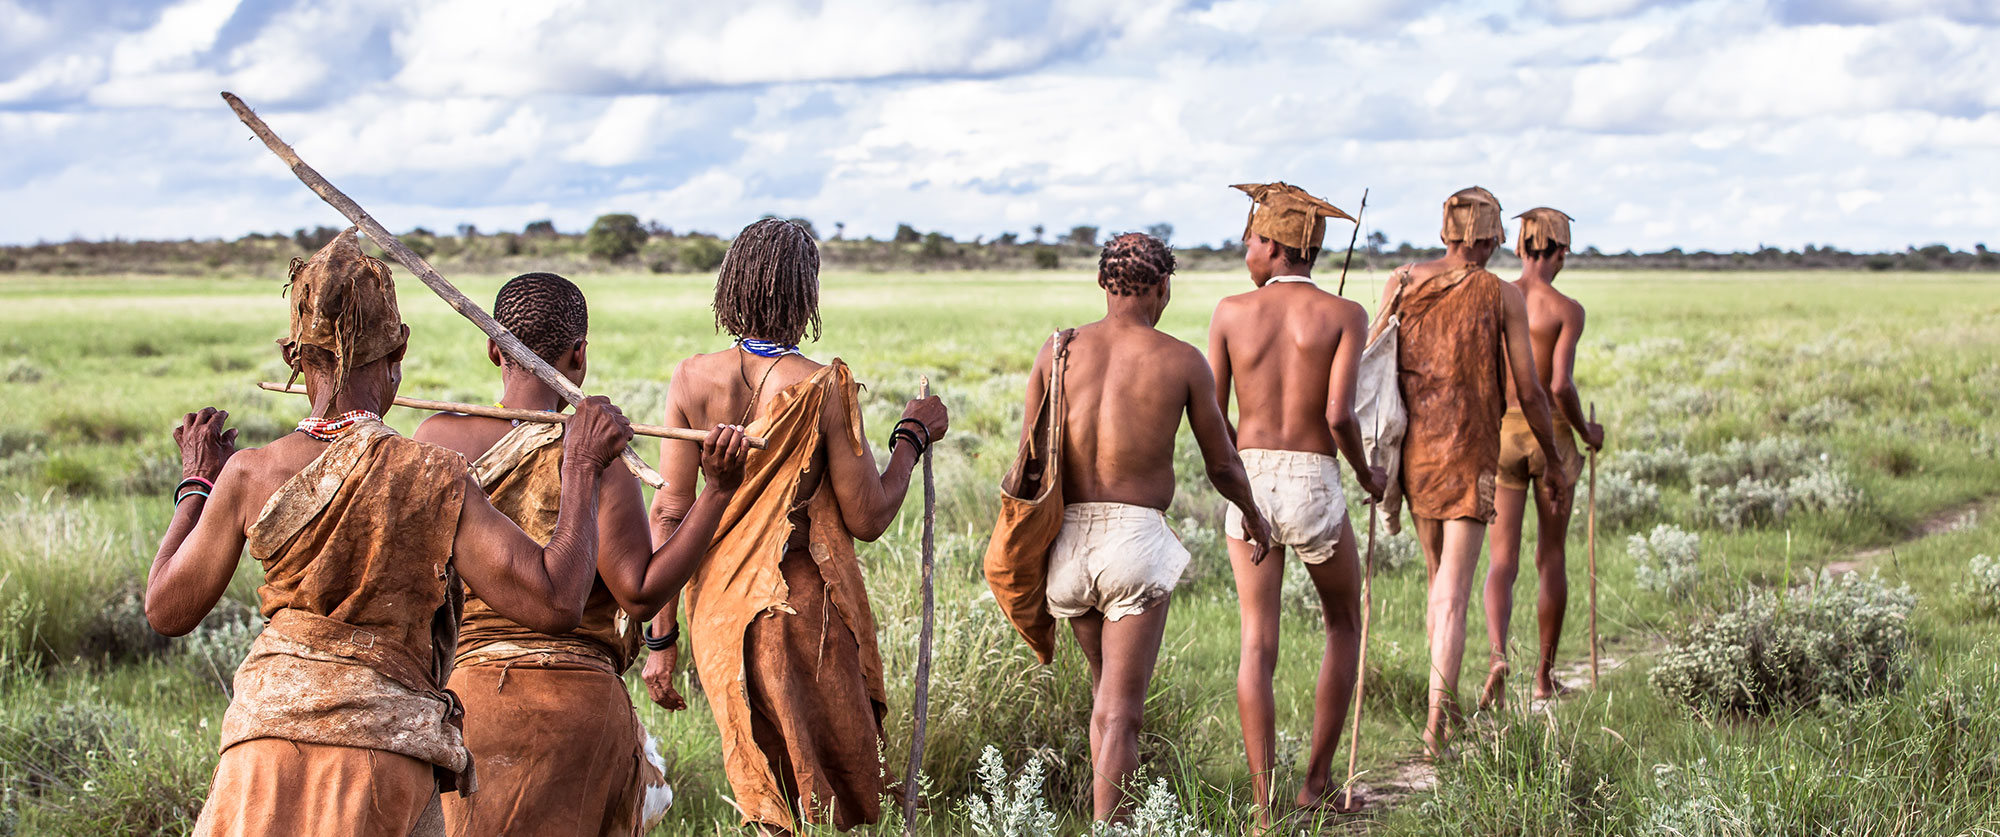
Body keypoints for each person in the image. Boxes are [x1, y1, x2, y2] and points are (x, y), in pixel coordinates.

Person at [145, 229, 634, 836]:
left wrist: (197, 485)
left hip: (261, 754)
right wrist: (583, 466)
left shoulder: (249, 473)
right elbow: (557, 600)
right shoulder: (432, 474)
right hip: (380, 761)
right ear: (399, 349)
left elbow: (166, 609)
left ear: (295, 358)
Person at [638, 218, 948, 835]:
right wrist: (912, 436)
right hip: (799, 606)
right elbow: (867, 517)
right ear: (805, 296)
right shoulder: (822, 386)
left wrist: (661, 642)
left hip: (719, 615)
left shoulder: (691, 378)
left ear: (732, 288)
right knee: (822, 794)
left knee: (763, 787)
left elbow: (669, 513)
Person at [415, 272, 749, 836]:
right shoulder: (601, 460)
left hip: (468, 703)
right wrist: (717, 490)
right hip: (581, 712)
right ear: (579, 354)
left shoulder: (435, 440)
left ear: (494, 348)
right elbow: (640, 595)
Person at [1021, 231, 1272, 821]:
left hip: (1067, 546)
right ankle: (1113, 829)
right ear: (1162, 287)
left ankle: (1120, 818)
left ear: (1104, 283)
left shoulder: (1055, 350)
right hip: (1132, 542)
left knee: (1105, 703)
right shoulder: (1181, 359)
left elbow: (1030, 461)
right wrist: (1255, 518)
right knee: (1123, 714)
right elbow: (1222, 463)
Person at [1207, 183, 1387, 822]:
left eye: (1251, 240)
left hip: (1249, 479)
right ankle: (1314, 784)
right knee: (1343, 625)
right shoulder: (1345, 314)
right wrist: (1367, 477)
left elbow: (1216, 418)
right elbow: (1339, 415)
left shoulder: (1230, 311)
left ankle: (1263, 809)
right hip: (1314, 480)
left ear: (1277, 246)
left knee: (1257, 641)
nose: (1244, 250)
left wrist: (1241, 474)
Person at [1370, 188, 1569, 755]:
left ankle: (1444, 708)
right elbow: (1529, 389)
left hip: (1415, 456)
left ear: (1445, 233)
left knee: (1438, 583)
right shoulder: (1501, 294)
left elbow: (1370, 361)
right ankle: (1438, 719)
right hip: (1472, 455)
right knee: (1453, 592)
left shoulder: (1402, 281)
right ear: (1489, 238)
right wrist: (1553, 459)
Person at [1480, 209, 1605, 708]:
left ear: (1517, 249)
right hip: (1548, 434)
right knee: (1550, 557)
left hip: (1503, 435)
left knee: (1501, 560)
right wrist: (1585, 431)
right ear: (1560, 253)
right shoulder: (1566, 309)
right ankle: (1544, 677)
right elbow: (1558, 385)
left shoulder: (1496, 297)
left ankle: (1495, 656)